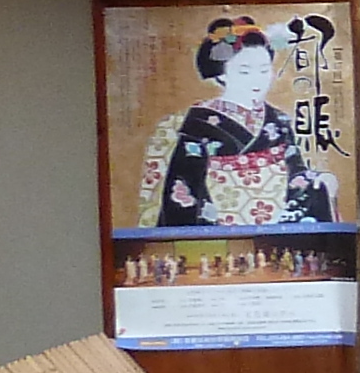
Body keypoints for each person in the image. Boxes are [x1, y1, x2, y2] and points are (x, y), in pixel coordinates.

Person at [142, 15, 336, 225]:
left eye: (264, 70)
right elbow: (184, 188)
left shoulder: (278, 121)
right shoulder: (199, 123)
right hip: (220, 224)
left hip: (277, 224)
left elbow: (296, 174)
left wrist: (318, 181)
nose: (257, 79)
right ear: (221, 74)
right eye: (244, 71)